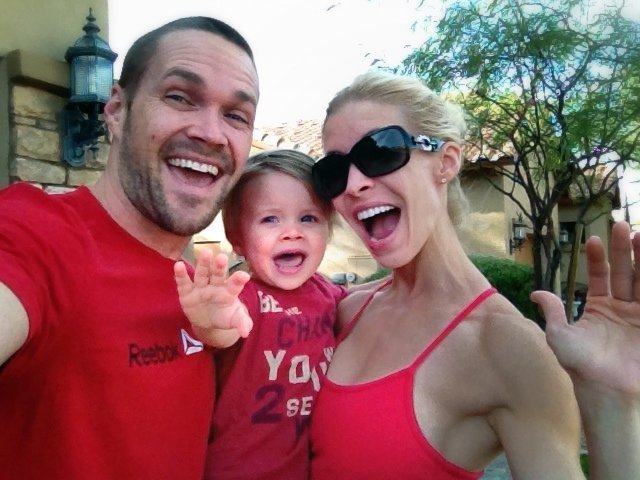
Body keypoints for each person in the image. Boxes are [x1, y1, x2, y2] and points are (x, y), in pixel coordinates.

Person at [308, 70, 640, 479]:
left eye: (380, 151)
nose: (354, 184)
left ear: (446, 162)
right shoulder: (346, 309)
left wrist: (615, 402)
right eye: (332, 171)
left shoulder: (506, 347)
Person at [0, 16, 259, 479]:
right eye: (180, 97)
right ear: (116, 110)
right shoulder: (39, 232)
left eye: (236, 115)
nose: (212, 133)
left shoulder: (206, 292)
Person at [174, 149, 347, 480]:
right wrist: (211, 323)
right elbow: (225, 330)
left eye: (308, 218)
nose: (292, 232)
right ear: (238, 239)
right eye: (270, 219)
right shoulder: (244, 297)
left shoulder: (329, 294)